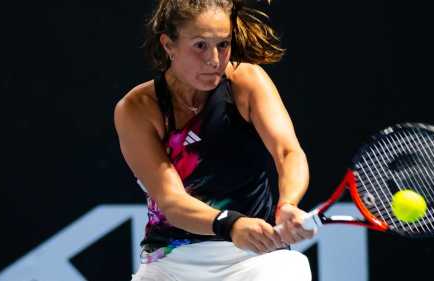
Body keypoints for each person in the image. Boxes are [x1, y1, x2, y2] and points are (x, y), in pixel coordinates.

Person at [114, 0, 316, 280]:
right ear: (168, 45)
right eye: (200, 45)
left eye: (223, 44)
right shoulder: (138, 108)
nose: (214, 59)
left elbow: (288, 152)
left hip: (257, 258)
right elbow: (171, 201)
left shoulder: (247, 82)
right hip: (172, 262)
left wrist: (288, 204)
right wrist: (230, 224)